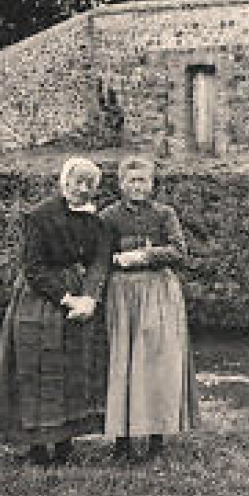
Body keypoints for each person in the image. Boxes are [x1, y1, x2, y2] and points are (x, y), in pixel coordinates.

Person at [0, 157, 114, 465]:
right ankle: (35, 445)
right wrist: (67, 298)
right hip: (40, 298)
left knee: (73, 365)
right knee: (36, 367)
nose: (82, 189)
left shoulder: (96, 222)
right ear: (64, 182)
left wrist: (89, 298)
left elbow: (100, 262)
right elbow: (33, 268)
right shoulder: (39, 216)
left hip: (78, 296)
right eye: (77, 182)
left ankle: (64, 441)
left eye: (90, 185)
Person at [101, 157, 200, 461]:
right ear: (120, 184)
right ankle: (123, 442)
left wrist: (144, 255)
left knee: (158, 363)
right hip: (122, 294)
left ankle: (157, 440)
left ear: (152, 183)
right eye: (131, 181)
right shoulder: (108, 217)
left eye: (143, 180)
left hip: (159, 292)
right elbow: (100, 257)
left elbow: (179, 251)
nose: (137, 186)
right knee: (123, 362)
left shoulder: (164, 214)